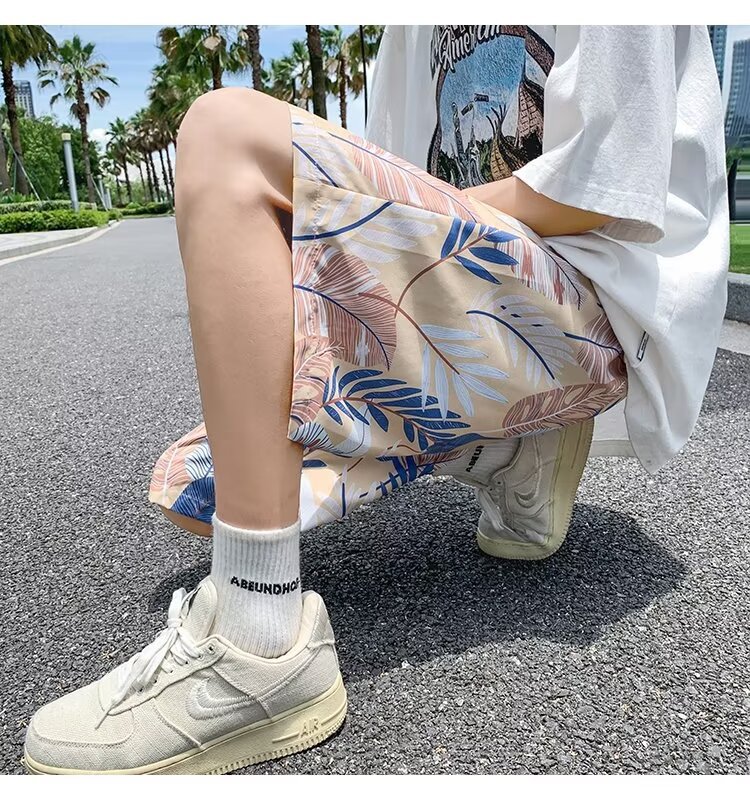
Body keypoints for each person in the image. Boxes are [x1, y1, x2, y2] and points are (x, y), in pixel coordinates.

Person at [24, 25, 727, 774]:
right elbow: (385, 204)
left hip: (599, 308)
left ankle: (258, 642)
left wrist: (328, 219)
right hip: (477, 298)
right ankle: (512, 452)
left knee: (228, 134)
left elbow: (601, 188)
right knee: (198, 482)